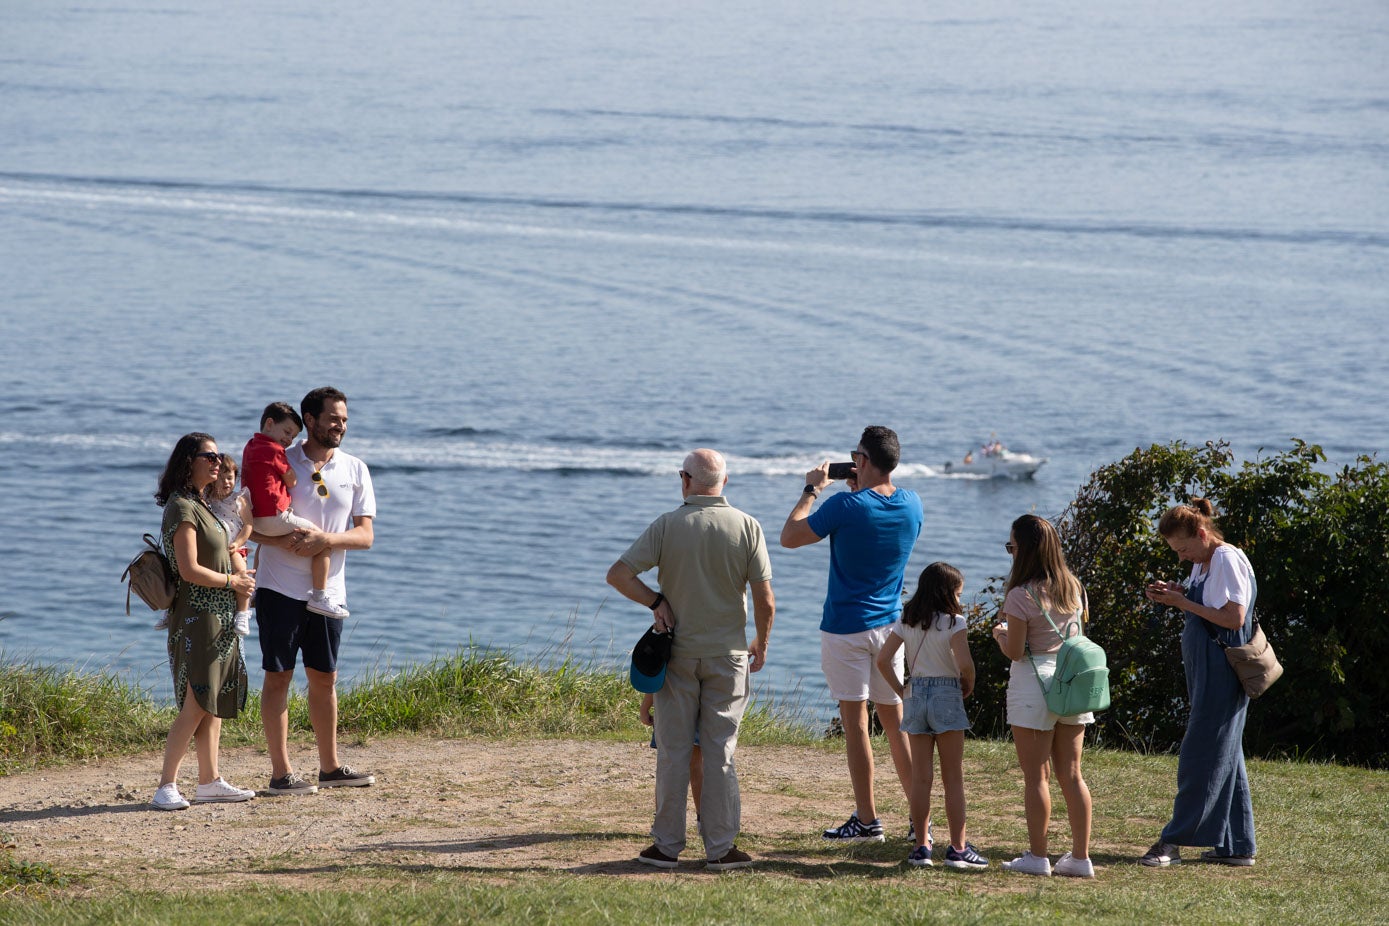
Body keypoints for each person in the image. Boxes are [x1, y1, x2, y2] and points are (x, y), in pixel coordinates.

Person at [607, 449, 775, 872]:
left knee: (673, 751)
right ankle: (720, 848)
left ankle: (666, 847)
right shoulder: (747, 526)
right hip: (728, 655)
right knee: (719, 752)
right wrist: (762, 642)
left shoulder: (667, 525)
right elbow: (765, 601)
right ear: (725, 480)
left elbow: (619, 575)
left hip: (677, 654)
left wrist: (656, 601)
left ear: (684, 480)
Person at [780, 425, 919, 843]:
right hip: (890, 628)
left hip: (845, 629)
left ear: (861, 461)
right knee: (895, 724)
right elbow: (879, 516)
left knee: (856, 724)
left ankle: (867, 819)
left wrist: (810, 490)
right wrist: (863, 489)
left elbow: (790, 537)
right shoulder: (914, 504)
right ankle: (920, 817)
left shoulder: (844, 505)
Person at [251, 387, 376, 796]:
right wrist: (282, 543)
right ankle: (281, 774)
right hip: (278, 587)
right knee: (278, 677)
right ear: (309, 418)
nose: (340, 425)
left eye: (344, 419)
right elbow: (252, 523)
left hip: (329, 592)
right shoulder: (280, 457)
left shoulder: (355, 468)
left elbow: (365, 536)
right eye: (333, 418)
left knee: (325, 679)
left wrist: (324, 539)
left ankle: (330, 767)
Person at [1140, 499, 1258, 868]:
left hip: (1221, 668)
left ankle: (1173, 841)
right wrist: (1178, 591)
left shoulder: (1225, 558)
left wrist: (1182, 603)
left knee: (1201, 755)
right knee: (1225, 753)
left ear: (1203, 534)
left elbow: (1233, 616)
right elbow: (1208, 602)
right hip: (1207, 666)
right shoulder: (1204, 562)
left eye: (1184, 548)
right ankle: (1237, 845)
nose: (1181, 557)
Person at [150, 433, 257, 810]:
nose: (217, 462)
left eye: (217, 456)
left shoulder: (203, 503)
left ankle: (209, 780)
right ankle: (166, 785)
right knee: (197, 699)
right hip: (198, 614)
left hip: (220, 612)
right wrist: (235, 580)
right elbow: (189, 569)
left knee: (213, 698)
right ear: (188, 461)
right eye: (208, 456)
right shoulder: (182, 507)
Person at [990, 514, 1094, 877]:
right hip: (1073, 681)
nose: (1010, 553)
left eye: (1012, 547)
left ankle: (1038, 856)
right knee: (1073, 774)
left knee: (1037, 776)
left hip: (1035, 686)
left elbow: (1017, 651)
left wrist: (1000, 634)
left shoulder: (1020, 594)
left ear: (1025, 551)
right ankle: (1080, 858)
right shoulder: (1074, 588)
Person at [875, 562, 988, 869]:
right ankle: (958, 848)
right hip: (946, 694)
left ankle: (922, 846)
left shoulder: (907, 620)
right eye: (959, 593)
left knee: (921, 779)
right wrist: (969, 682)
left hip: (915, 693)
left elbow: (884, 660)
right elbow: (964, 664)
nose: (961, 599)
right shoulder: (955, 623)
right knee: (953, 777)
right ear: (949, 593)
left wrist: (902, 692)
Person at [242, 401, 348, 619]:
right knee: (322, 540)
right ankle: (320, 597)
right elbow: (291, 480)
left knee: (263, 548)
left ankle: (256, 588)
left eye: (292, 436)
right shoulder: (275, 450)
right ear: (270, 424)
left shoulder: (250, 446)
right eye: (287, 432)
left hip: (256, 517)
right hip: (276, 516)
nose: (288, 440)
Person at [206, 452, 254, 637]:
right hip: (215, 544)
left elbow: (249, 525)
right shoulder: (207, 499)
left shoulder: (238, 499)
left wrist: (238, 543)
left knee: (241, 571)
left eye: (230, 478)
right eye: (221, 478)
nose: (226, 482)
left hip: (233, 545)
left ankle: (243, 612)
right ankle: (170, 609)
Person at [639, 691, 703, 828]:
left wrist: (645, 708)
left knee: (668, 765)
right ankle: (702, 820)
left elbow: (656, 674)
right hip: (698, 702)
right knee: (695, 765)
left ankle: (664, 822)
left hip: (669, 705)